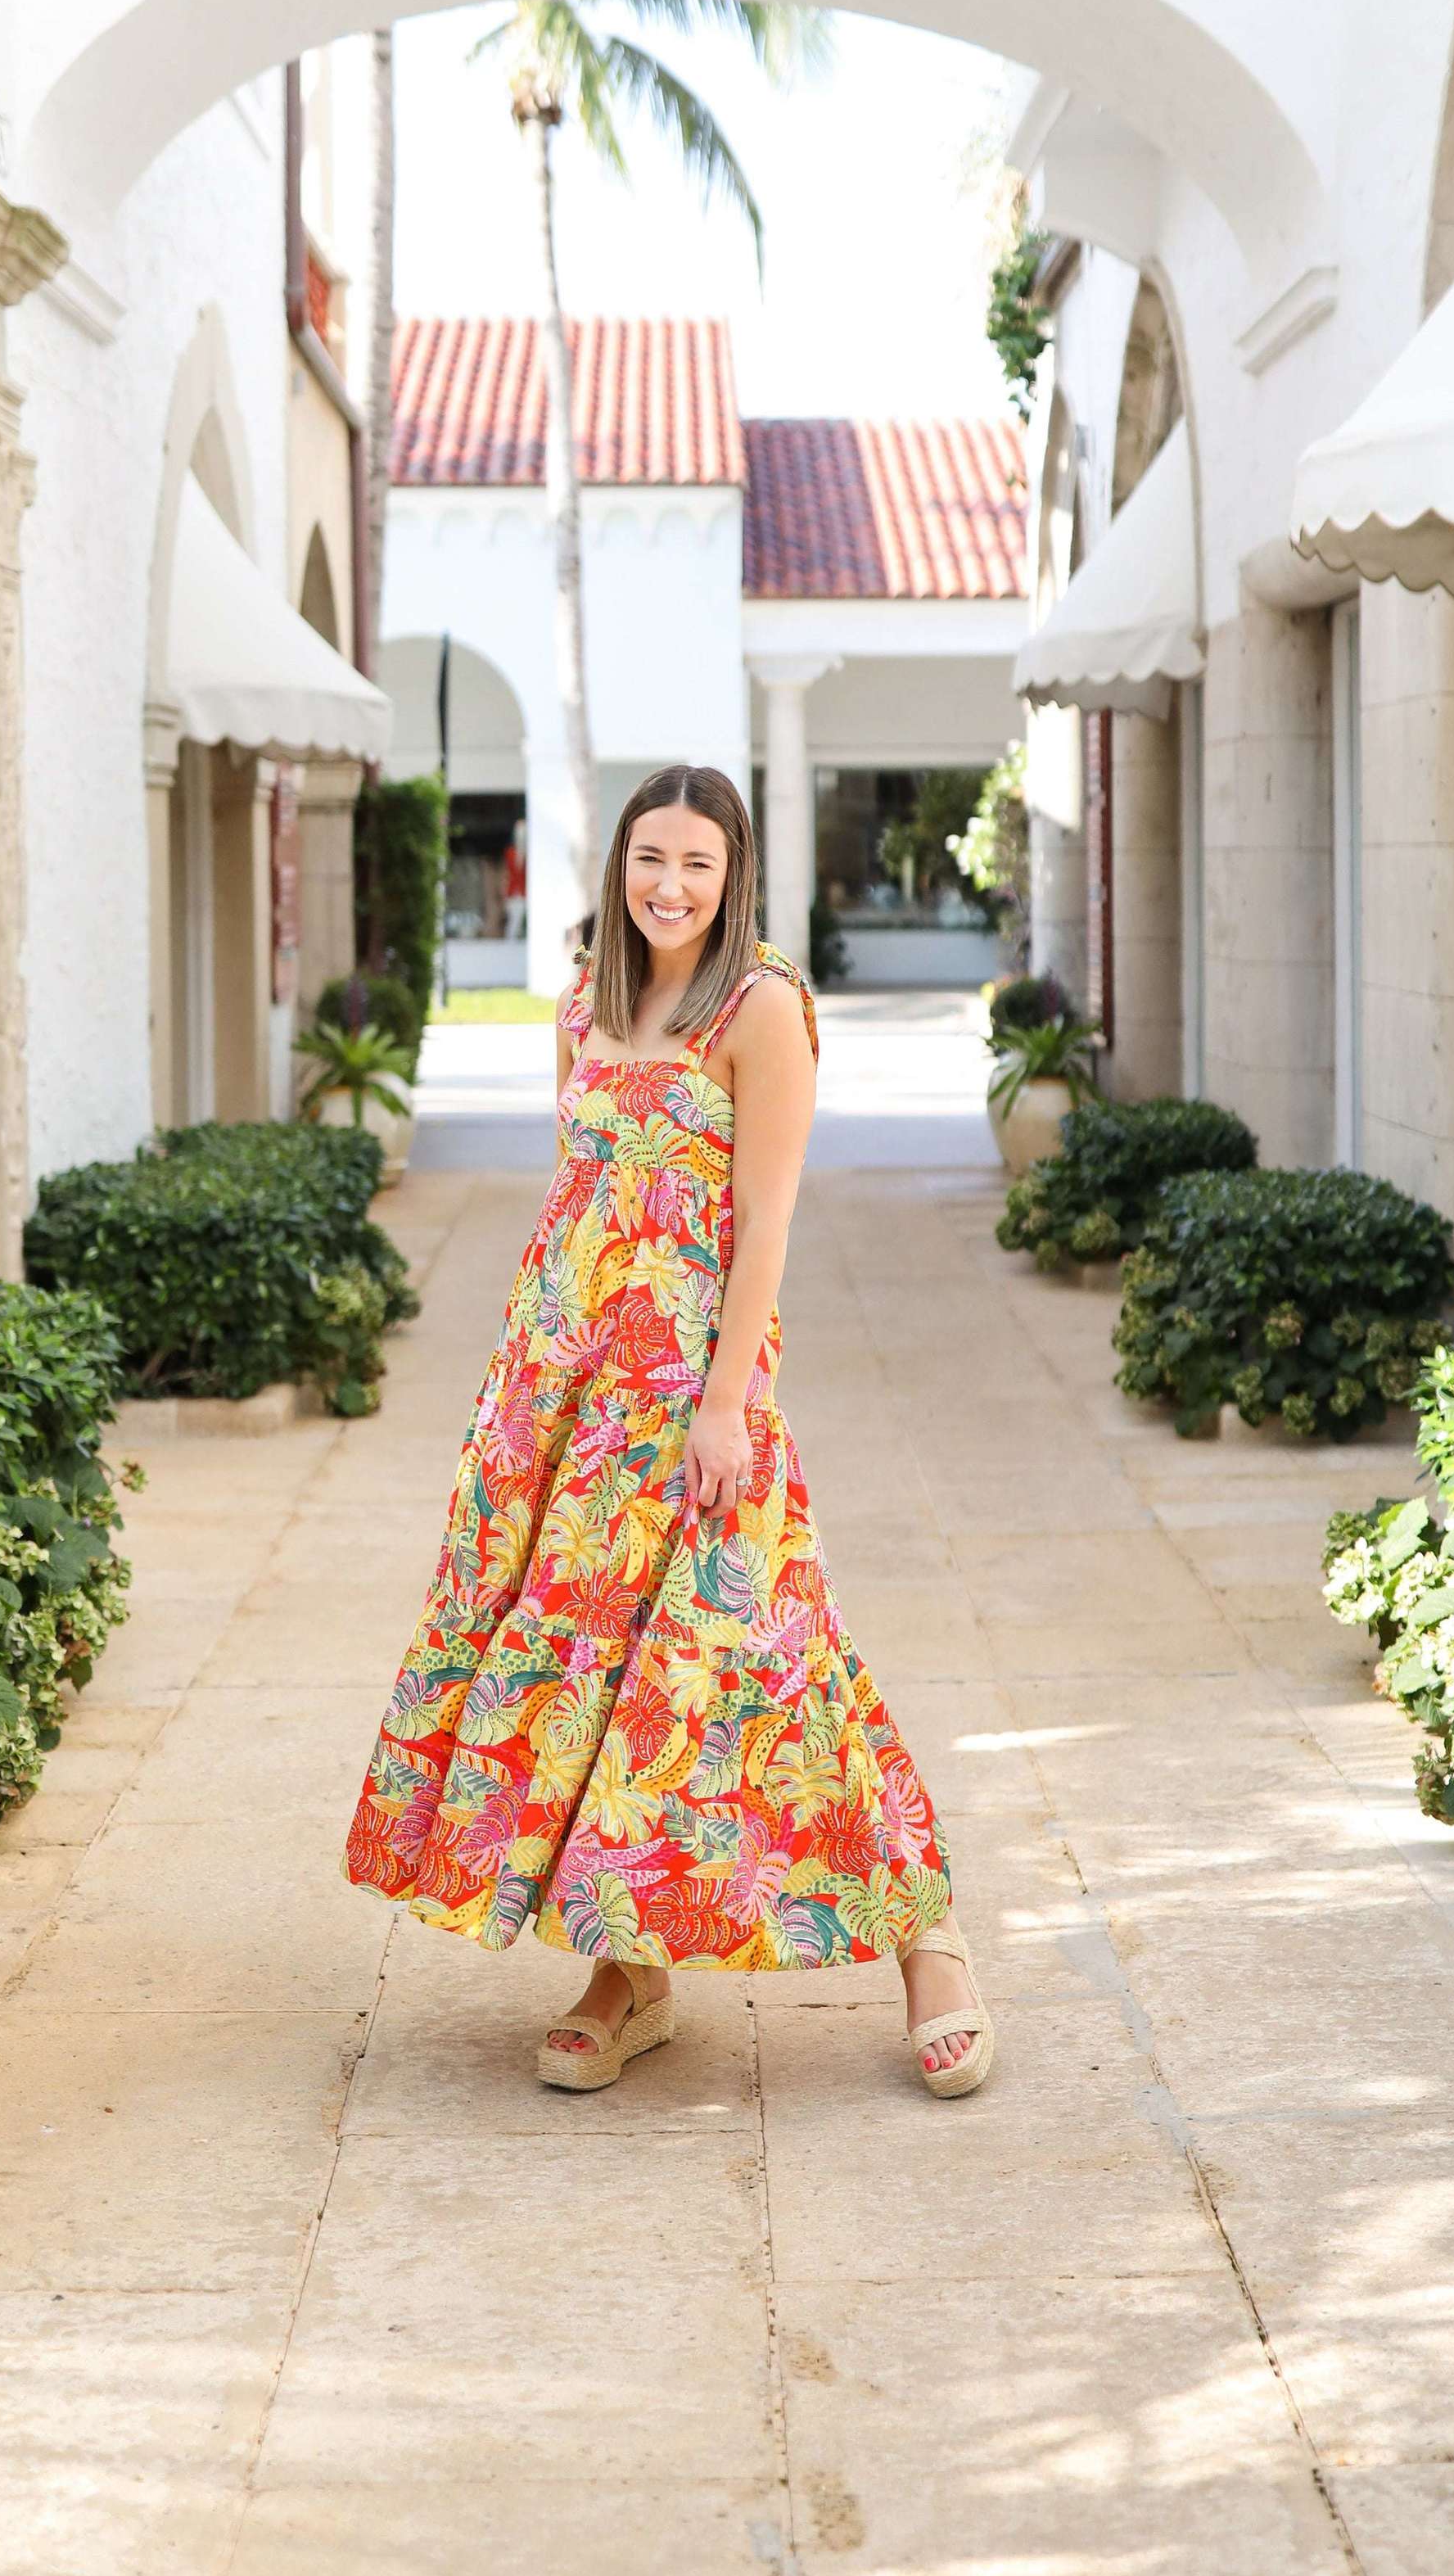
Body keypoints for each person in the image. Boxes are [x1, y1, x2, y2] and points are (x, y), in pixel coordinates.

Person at [344, 764, 991, 2097]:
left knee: (764, 1655)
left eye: (698, 862)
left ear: (733, 870)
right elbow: (575, 1194)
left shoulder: (762, 1007)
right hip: (560, 1386)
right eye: (651, 858)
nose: (670, 885)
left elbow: (764, 1223)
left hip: (693, 1388)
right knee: (588, 1674)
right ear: (620, 864)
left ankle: (928, 1938)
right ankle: (627, 1974)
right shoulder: (584, 999)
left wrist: (727, 1402)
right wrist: (523, 1393)